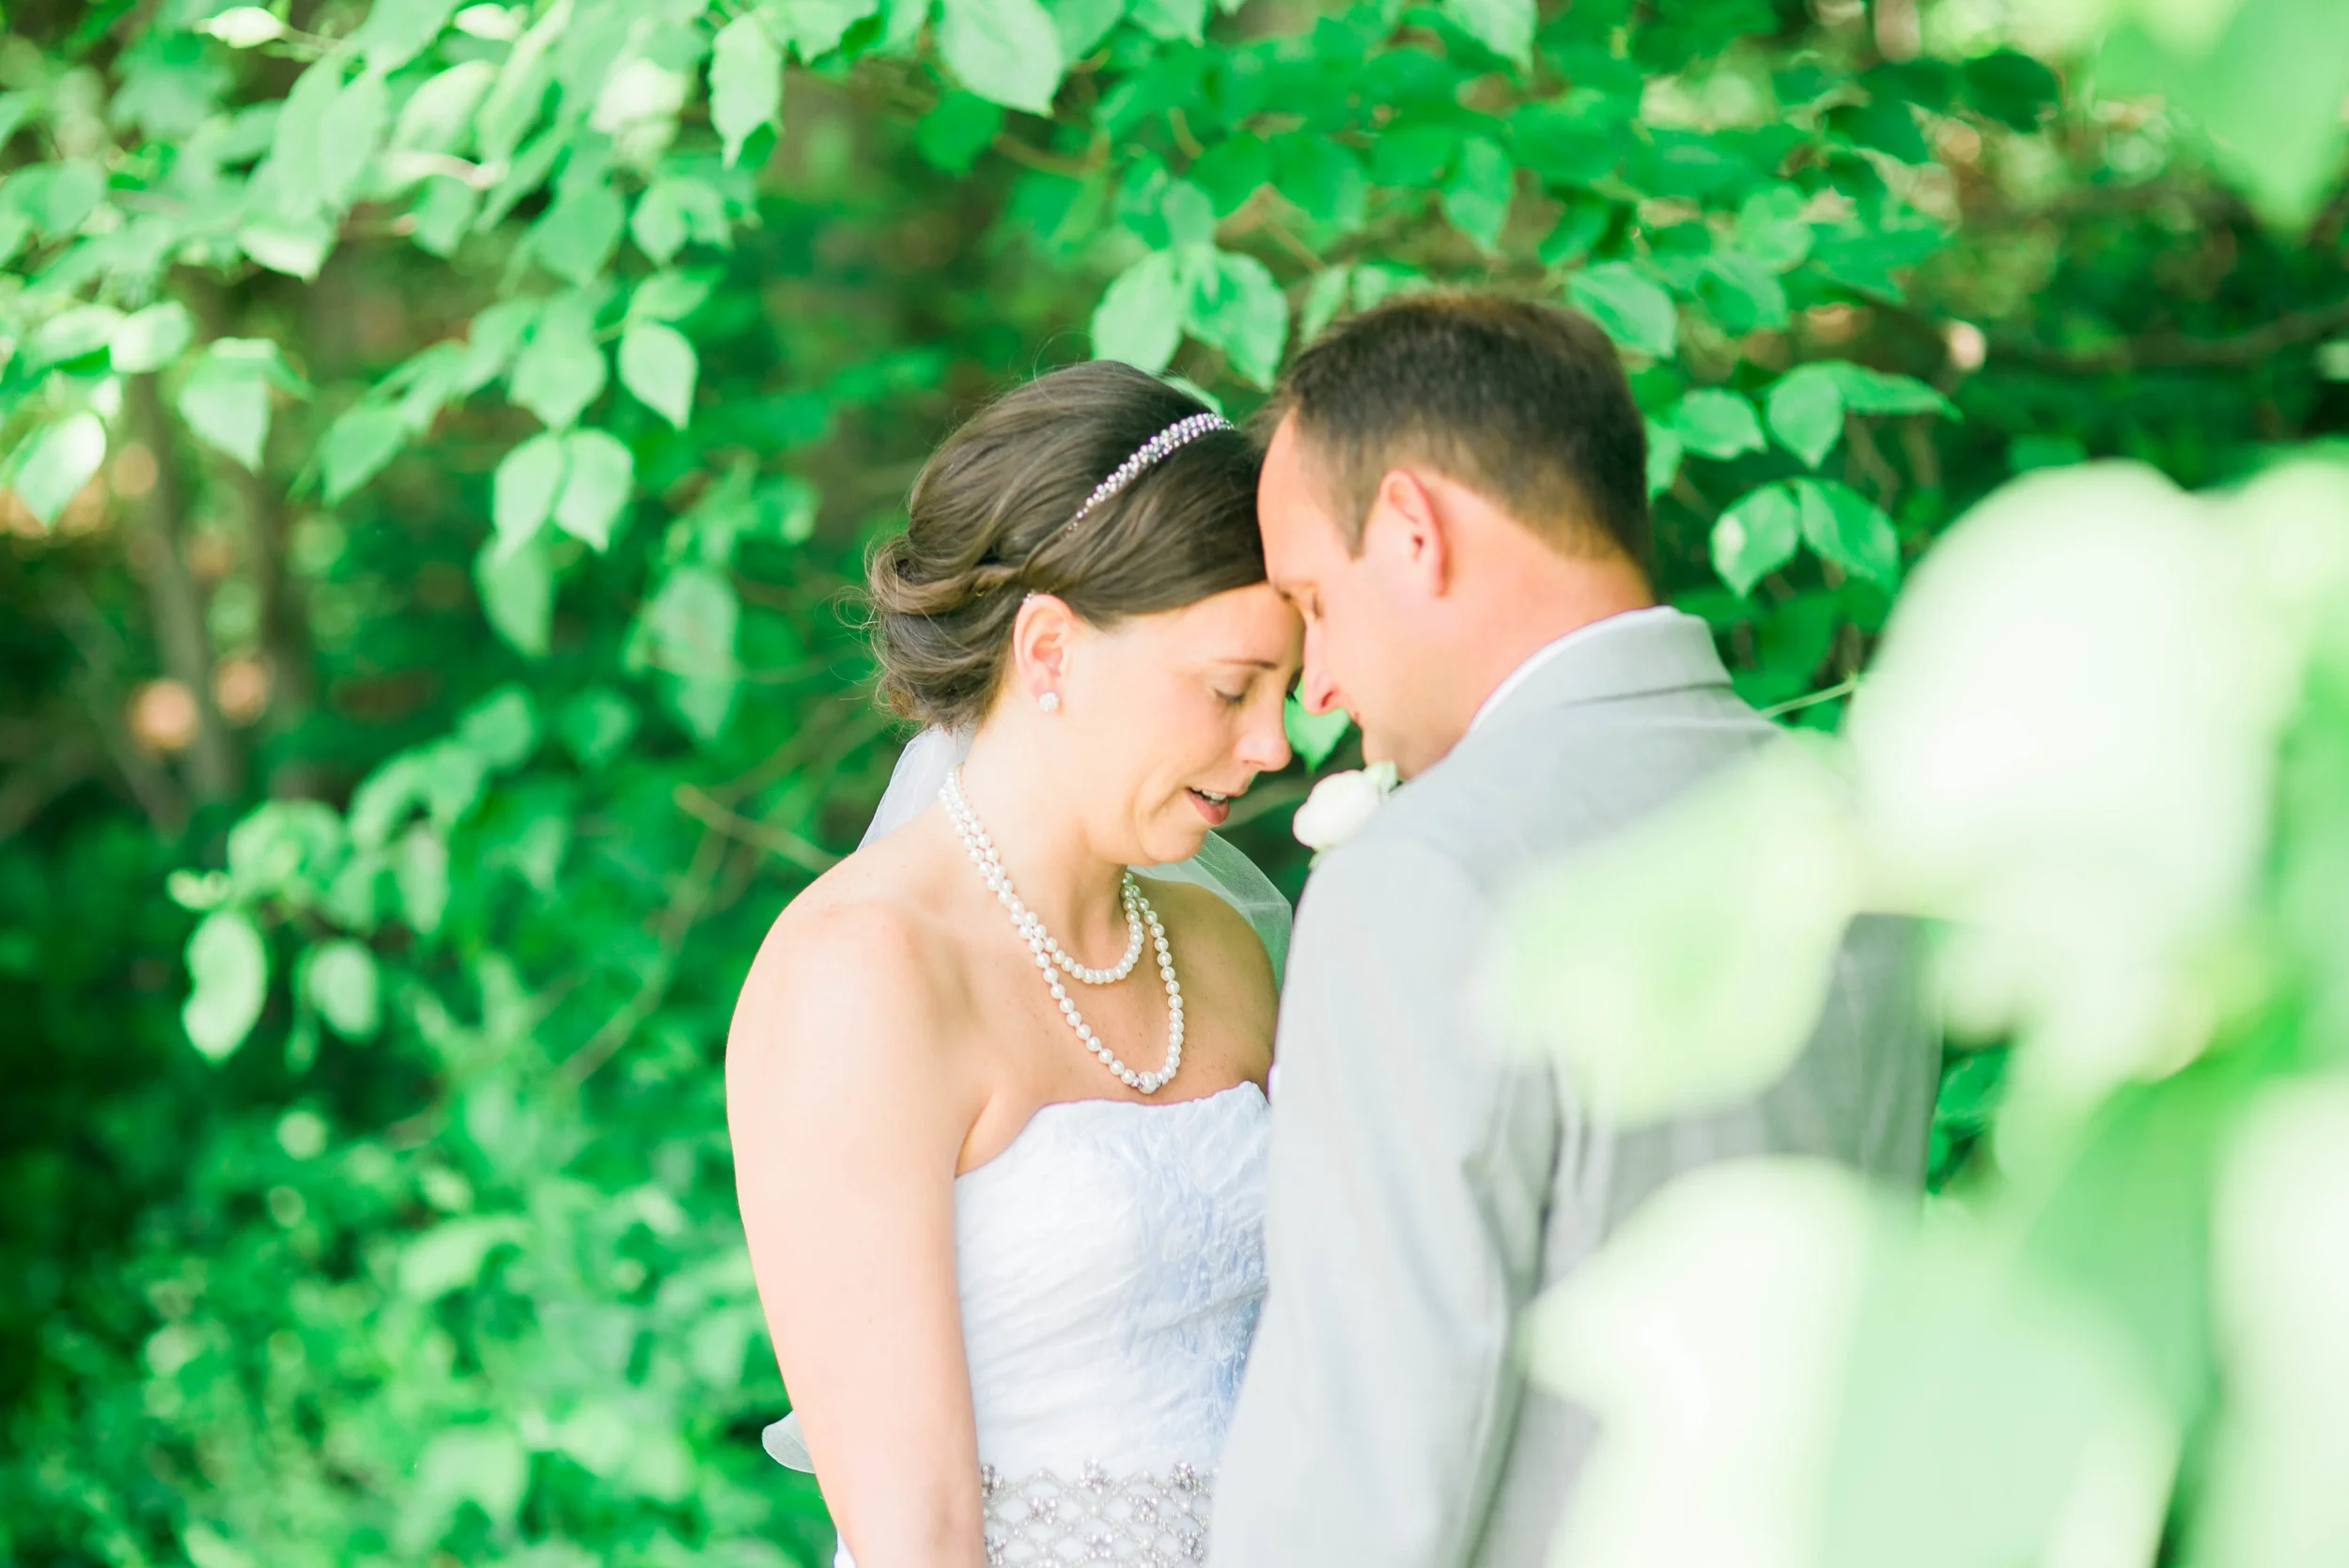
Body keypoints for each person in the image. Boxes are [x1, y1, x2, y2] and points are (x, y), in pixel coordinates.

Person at [1207, 293, 1939, 1568]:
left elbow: (1367, 1456)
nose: (1317, 682)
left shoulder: (1427, 876)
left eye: (1314, 602)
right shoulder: (1845, 828)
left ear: (1413, 529)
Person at [725, 361, 1302, 1568]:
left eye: (1284, 690)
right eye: (1230, 689)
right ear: (1049, 651)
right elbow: (913, 1534)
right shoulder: (865, 973)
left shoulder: (1221, 948)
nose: (1271, 744)